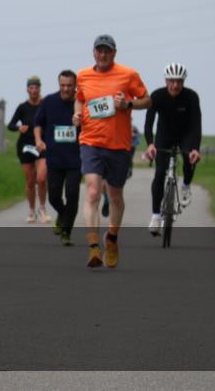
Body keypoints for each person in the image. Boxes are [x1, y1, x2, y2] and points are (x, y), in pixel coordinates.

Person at [72, 35, 149, 269]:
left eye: (107, 51)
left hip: (119, 145)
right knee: (93, 192)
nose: (102, 55)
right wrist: (77, 114)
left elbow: (147, 100)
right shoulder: (83, 75)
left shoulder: (128, 74)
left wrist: (127, 104)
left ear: (114, 53)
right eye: (99, 51)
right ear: (93, 52)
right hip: (90, 141)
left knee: (115, 195)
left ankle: (112, 238)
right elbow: (79, 99)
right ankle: (94, 246)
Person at [144, 62, 202, 235]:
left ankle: (185, 185)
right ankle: (155, 216)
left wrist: (195, 149)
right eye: (171, 81)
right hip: (164, 136)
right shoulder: (157, 96)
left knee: (189, 158)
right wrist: (150, 144)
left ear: (183, 81)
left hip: (185, 135)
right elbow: (148, 123)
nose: (175, 85)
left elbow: (196, 124)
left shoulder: (191, 96)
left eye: (179, 81)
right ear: (166, 80)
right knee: (160, 173)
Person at [34, 70, 82, 245]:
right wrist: (39, 140)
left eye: (70, 85)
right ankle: (62, 214)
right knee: (53, 196)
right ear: (58, 84)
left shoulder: (81, 103)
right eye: (63, 85)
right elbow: (38, 123)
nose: (66, 89)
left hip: (76, 159)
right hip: (54, 158)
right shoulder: (49, 101)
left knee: (72, 194)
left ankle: (66, 231)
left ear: (75, 85)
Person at [8, 76, 49, 224]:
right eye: (31, 88)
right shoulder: (22, 107)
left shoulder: (45, 105)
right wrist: (19, 127)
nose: (34, 90)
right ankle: (32, 211)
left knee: (42, 179)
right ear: (27, 90)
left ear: (39, 88)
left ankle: (43, 208)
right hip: (25, 146)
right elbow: (10, 125)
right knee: (31, 181)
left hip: (42, 145)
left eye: (36, 87)